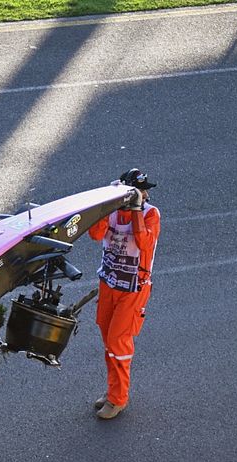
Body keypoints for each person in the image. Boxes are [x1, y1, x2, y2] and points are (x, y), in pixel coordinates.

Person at [89, 169, 161, 419]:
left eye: (144, 191)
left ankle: (118, 399)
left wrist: (136, 210)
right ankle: (112, 392)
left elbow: (144, 243)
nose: (146, 194)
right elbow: (95, 233)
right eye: (140, 190)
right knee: (108, 339)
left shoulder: (150, 214)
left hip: (133, 289)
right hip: (109, 283)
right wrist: (107, 205)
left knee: (118, 342)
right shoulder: (112, 213)